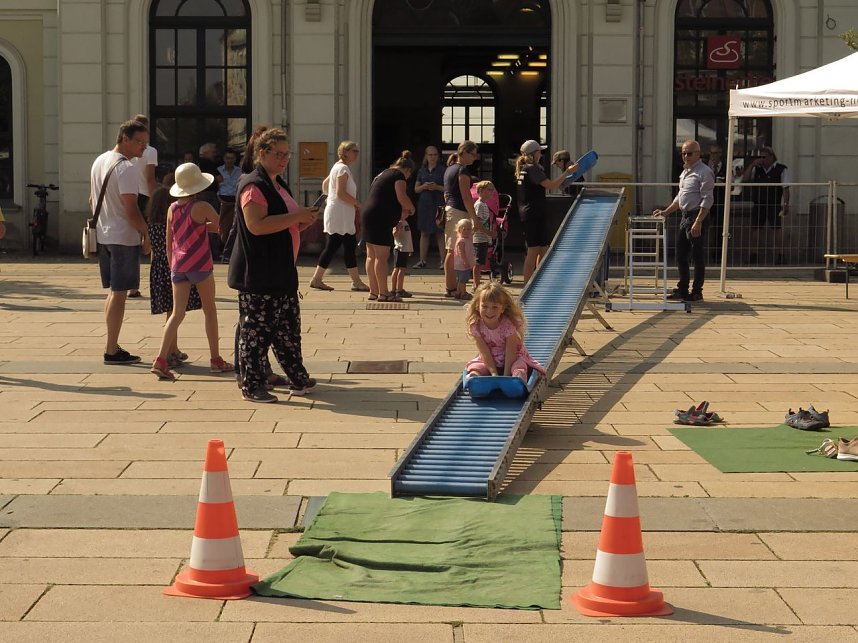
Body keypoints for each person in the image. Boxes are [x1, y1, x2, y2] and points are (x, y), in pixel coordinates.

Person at [227, 127, 319, 403]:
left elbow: (282, 224)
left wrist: (301, 220)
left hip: (280, 271)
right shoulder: (254, 185)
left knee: (287, 329)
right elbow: (256, 225)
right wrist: (295, 218)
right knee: (256, 332)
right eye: (278, 154)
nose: (284, 159)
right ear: (262, 153)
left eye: (286, 153)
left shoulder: (276, 182)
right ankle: (252, 384)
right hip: (260, 273)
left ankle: (297, 377)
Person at [150, 163, 232, 380]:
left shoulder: (172, 209)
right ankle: (215, 359)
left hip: (178, 265)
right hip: (200, 264)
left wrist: (171, 265)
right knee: (209, 310)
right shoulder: (202, 207)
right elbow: (221, 227)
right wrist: (202, 228)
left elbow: (169, 241)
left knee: (177, 314)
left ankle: (160, 359)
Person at [89, 119, 152, 365]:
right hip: (122, 237)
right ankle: (111, 349)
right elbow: (131, 209)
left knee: (115, 292)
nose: (143, 149)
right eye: (139, 142)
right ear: (124, 138)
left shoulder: (99, 161)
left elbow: (91, 200)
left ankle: (111, 345)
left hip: (104, 235)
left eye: (145, 144)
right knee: (119, 294)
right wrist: (146, 234)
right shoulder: (126, 168)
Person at [146, 186, 202, 368]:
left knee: (172, 311)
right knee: (175, 312)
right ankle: (169, 351)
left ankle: (174, 349)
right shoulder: (170, 223)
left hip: (157, 269)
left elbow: (148, 249)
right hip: (173, 266)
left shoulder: (151, 224)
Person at [652, 139, 715, 302]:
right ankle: (683, 289)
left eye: (689, 153)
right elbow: (680, 198)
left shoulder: (704, 171)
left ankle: (697, 291)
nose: (685, 156)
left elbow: (707, 199)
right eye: (683, 153)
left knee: (697, 255)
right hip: (685, 217)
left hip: (696, 216)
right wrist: (665, 212)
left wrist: (699, 221)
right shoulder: (685, 172)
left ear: (698, 154)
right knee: (681, 255)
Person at [516, 140, 580, 284]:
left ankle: (540, 281)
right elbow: (550, 185)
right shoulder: (532, 169)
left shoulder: (528, 168)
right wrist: (567, 172)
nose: (541, 154)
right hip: (532, 213)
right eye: (539, 151)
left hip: (535, 212)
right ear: (534, 154)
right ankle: (527, 284)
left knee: (544, 248)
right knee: (533, 250)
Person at [309, 140, 369, 292]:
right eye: (354, 151)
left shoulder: (337, 167)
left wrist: (329, 198)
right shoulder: (342, 169)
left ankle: (317, 278)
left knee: (334, 245)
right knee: (348, 245)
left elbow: (325, 184)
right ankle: (356, 281)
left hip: (338, 212)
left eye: (357, 151)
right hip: (341, 213)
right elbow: (341, 193)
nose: (356, 154)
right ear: (345, 152)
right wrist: (358, 204)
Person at [360, 151, 415, 302]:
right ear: (408, 170)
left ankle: (374, 291)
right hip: (380, 218)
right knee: (382, 257)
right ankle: (384, 293)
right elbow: (401, 197)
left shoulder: (382, 173)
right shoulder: (398, 176)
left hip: (367, 214)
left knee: (371, 256)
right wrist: (411, 208)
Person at [464, 282, 545, 383]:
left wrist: (506, 376)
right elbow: (484, 352)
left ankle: (517, 378)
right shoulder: (476, 326)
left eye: (495, 307)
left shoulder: (508, 325)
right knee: (476, 366)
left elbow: (511, 352)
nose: (489, 311)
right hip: (491, 358)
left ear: (502, 308)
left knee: (519, 366)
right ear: (477, 306)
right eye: (485, 306)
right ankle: (474, 377)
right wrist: (494, 373)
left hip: (512, 357)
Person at [742, 146, 791, 264]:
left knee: (777, 229)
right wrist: (752, 165)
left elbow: (786, 188)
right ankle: (754, 254)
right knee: (756, 228)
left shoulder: (781, 169)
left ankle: (781, 254)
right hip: (759, 203)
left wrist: (785, 204)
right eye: (760, 157)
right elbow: (745, 180)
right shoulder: (757, 169)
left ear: (771, 157)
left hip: (773, 203)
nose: (762, 159)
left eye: (764, 157)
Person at [443, 141, 479, 297]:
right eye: (473, 154)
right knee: (453, 250)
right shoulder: (462, 171)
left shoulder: (450, 168)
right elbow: (466, 196)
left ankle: (453, 286)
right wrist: (474, 218)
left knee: (452, 250)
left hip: (451, 210)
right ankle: (452, 288)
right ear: (463, 152)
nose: (475, 157)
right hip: (458, 212)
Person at [413, 145, 446, 269]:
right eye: (430, 155)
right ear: (426, 156)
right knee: (424, 232)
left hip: (439, 204)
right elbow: (416, 189)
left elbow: (448, 189)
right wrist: (424, 186)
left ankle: (443, 261)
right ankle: (422, 260)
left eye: (435, 155)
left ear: (438, 156)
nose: (432, 157)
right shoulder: (422, 170)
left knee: (440, 233)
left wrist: (437, 187)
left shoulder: (443, 170)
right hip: (425, 204)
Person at [472, 180, 496, 289]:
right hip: (479, 238)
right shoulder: (480, 205)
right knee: (478, 262)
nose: (491, 193)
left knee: (480, 261)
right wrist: (490, 233)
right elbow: (478, 224)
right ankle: (476, 284)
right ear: (481, 191)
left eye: (492, 190)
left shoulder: (484, 205)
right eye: (489, 190)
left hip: (484, 238)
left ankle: (477, 282)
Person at [216, 149, 242, 248]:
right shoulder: (218, 170)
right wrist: (218, 197)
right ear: (224, 159)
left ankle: (231, 247)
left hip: (234, 200)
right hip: (222, 199)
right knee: (221, 224)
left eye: (231, 158)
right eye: (227, 158)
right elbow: (216, 186)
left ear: (235, 159)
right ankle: (221, 246)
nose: (229, 160)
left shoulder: (239, 171)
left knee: (233, 225)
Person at [453, 218, 476, 301]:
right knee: (463, 280)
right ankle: (463, 293)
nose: (466, 231)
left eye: (468, 229)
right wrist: (465, 261)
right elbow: (461, 252)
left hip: (463, 264)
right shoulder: (462, 241)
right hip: (462, 264)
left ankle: (458, 292)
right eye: (464, 229)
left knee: (460, 279)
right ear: (459, 230)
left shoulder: (467, 239)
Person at [391, 218, 413, 299]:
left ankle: (397, 289)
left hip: (405, 249)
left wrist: (410, 248)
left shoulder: (405, 222)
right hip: (400, 249)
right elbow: (394, 234)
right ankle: (397, 289)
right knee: (399, 269)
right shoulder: (398, 222)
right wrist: (398, 230)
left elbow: (408, 237)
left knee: (400, 269)